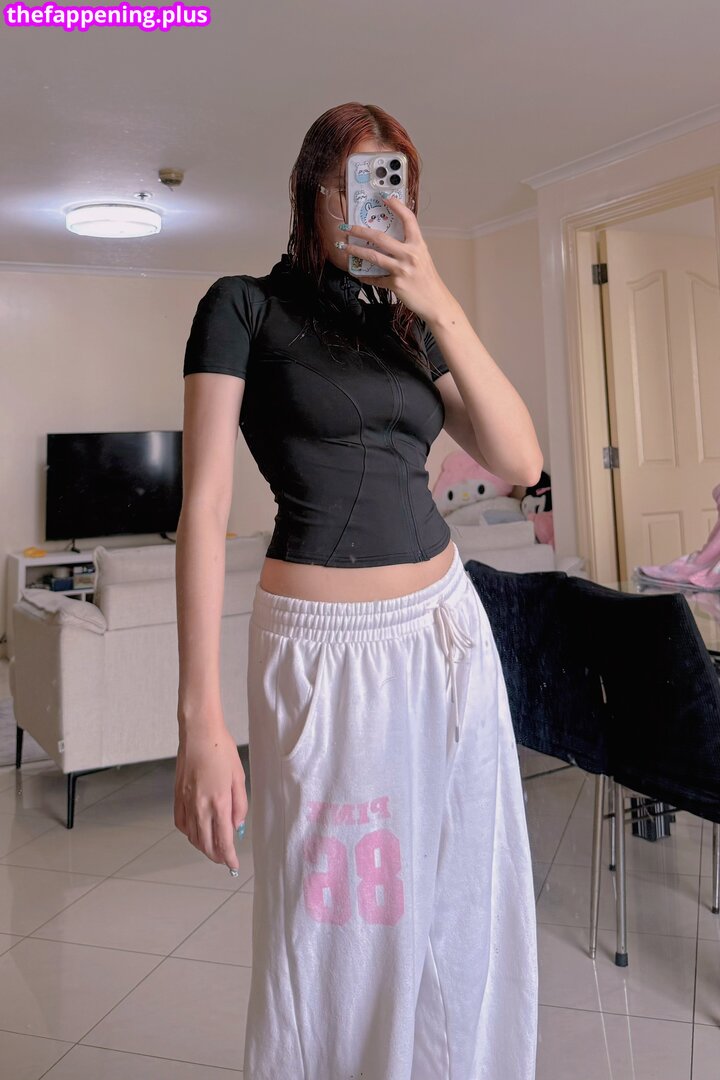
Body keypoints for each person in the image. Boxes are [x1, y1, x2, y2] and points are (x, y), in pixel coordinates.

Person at [175, 102, 542, 1080]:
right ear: (312, 191)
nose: (374, 206)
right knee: (335, 924)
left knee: (463, 897)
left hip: (447, 629)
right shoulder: (241, 308)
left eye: (393, 186)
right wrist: (201, 721)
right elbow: (203, 510)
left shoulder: (410, 325)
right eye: (355, 184)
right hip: (324, 651)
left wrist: (438, 300)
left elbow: (520, 460)